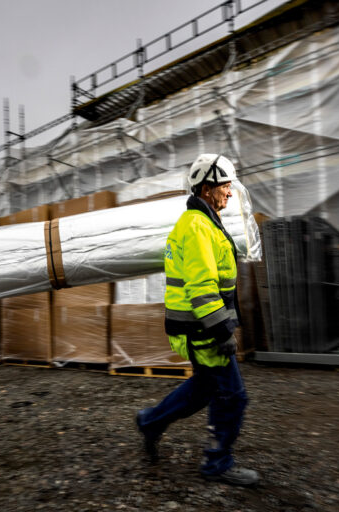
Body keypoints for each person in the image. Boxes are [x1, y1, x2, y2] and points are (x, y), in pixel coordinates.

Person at [135, 154, 259, 486]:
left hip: (197, 326)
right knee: (233, 396)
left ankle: (150, 422)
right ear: (206, 189)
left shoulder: (204, 222)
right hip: (201, 329)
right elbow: (202, 287)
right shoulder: (197, 226)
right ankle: (217, 463)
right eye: (225, 186)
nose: (230, 192)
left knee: (204, 388)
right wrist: (222, 330)